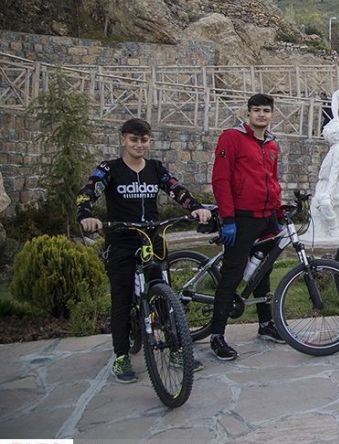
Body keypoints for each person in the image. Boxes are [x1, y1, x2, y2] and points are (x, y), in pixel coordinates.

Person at [77, 118, 212, 382]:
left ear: (149, 141)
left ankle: (175, 348)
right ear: (123, 140)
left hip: (152, 240)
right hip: (122, 240)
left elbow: (176, 189)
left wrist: (196, 207)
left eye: (144, 140)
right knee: (121, 298)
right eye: (133, 140)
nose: (139, 145)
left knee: (164, 296)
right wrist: (85, 215)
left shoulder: (155, 168)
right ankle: (121, 356)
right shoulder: (109, 169)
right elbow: (88, 192)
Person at [209, 93, 286, 361]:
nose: (261, 115)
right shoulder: (232, 137)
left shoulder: (272, 144)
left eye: (266, 110)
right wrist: (228, 219)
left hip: (267, 217)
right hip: (242, 218)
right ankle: (217, 335)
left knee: (263, 271)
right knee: (232, 273)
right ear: (249, 113)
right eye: (256, 110)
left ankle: (265, 324)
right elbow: (220, 179)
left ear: (272, 114)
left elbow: (272, 180)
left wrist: (278, 213)